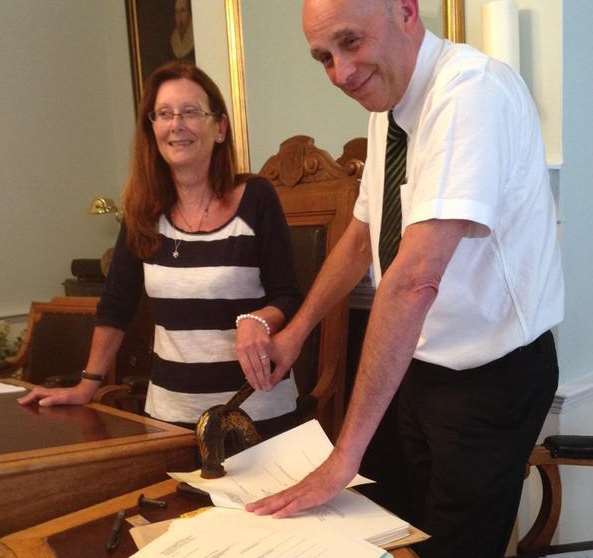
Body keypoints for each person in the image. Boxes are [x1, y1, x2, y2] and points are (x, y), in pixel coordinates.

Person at [246, 1, 564, 556]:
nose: (340, 73)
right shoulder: (389, 103)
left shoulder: (470, 93)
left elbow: (414, 278)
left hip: (489, 377)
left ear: (406, 11)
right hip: (418, 366)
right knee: (403, 535)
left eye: (351, 43)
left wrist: (343, 457)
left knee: (456, 548)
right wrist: (295, 333)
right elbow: (360, 236)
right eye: (324, 57)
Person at [18, 61, 301, 439]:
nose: (176, 124)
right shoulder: (143, 211)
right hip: (169, 418)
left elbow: (288, 295)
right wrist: (88, 383)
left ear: (220, 128)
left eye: (190, 112)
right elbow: (116, 305)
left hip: (257, 415)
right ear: (152, 130)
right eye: (164, 114)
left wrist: (261, 319)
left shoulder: (256, 197)